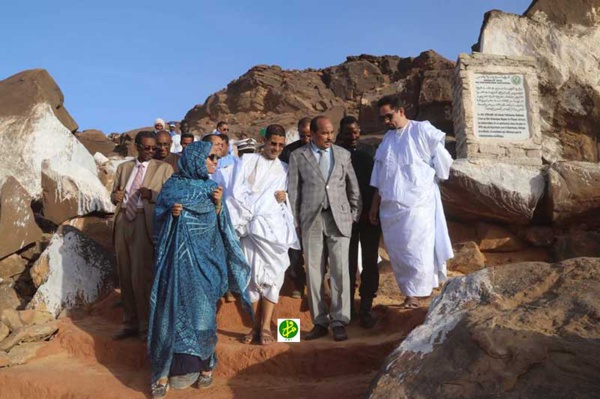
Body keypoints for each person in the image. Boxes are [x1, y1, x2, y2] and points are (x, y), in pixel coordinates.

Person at [148, 141, 252, 398]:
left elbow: (223, 228)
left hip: (207, 263)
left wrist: (218, 206)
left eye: (217, 158)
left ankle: (206, 366)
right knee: (171, 314)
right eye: (211, 158)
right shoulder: (172, 187)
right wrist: (171, 215)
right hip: (178, 266)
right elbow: (157, 223)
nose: (215, 162)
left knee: (204, 316)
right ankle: (164, 372)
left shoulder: (212, 189)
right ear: (196, 160)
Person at [369, 95, 454, 309]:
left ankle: (416, 295)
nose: (386, 121)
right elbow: (379, 176)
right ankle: (409, 292)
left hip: (418, 204)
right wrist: (374, 206)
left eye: (389, 116)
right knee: (399, 251)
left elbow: (442, 162)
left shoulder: (422, 130)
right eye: (383, 118)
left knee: (418, 247)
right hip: (391, 208)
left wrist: (429, 181)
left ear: (401, 111)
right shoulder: (387, 140)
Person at [288, 116, 361, 342]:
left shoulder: (343, 154)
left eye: (331, 133)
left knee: (340, 270)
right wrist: (296, 222)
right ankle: (319, 321)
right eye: (324, 133)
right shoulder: (298, 156)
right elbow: (293, 193)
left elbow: (353, 187)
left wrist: (353, 215)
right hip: (311, 220)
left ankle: (339, 320)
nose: (329, 137)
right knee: (314, 271)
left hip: (339, 219)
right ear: (313, 133)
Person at [227, 124, 299, 346]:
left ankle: (266, 327)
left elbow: (290, 199)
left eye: (280, 145)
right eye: (273, 144)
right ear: (265, 142)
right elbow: (235, 192)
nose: (276, 148)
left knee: (273, 276)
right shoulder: (247, 162)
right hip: (249, 227)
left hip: (273, 230)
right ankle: (254, 327)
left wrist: (284, 197)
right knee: (251, 277)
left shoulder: (285, 169)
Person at [111, 131, 174, 341]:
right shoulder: (123, 168)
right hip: (123, 221)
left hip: (143, 221)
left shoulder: (164, 168)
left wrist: (153, 195)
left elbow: (170, 197)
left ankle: (146, 325)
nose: (151, 151)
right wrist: (115, 196)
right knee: (125, 273)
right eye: (147, 148)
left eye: (154, 148)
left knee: (142, 275)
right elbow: (115, 194)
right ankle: (129, 322)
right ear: (137, 147)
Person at [337, 116, 380, 328]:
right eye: (348, 133)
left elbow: (377, 183)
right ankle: (348, 310)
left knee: (370, 262)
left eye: (355, 132)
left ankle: (366, 307)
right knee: (347, 264)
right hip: (346, 219)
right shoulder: (335, 154)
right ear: (340, 133)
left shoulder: (370, 152)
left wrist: (373, 209)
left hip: (370, 218)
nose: (352, 137)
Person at [279, 117, 312, 299]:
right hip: (293, 206)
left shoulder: (322, 150)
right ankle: (297, 284)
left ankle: (319, 285)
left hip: (315, 207)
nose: (306, 139)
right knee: (295, 250)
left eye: (309, 135)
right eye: (302, 135)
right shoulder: (289, 152)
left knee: (317, 250)